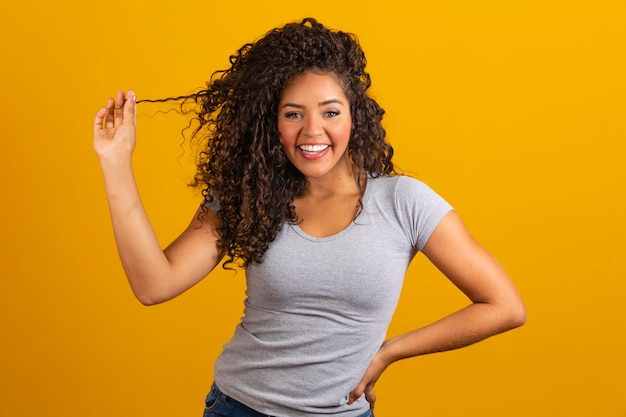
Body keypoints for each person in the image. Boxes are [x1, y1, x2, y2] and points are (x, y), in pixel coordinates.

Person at [93, 17, 526, 417]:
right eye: (293, 114)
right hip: (239, 406)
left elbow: (504, 306)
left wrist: (389, 351)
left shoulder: (403, 201)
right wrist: (116, 162)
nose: (312, 131)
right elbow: (154, 284)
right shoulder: (250, 195)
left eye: (330, 112)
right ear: (272, 123)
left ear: (355, 117)